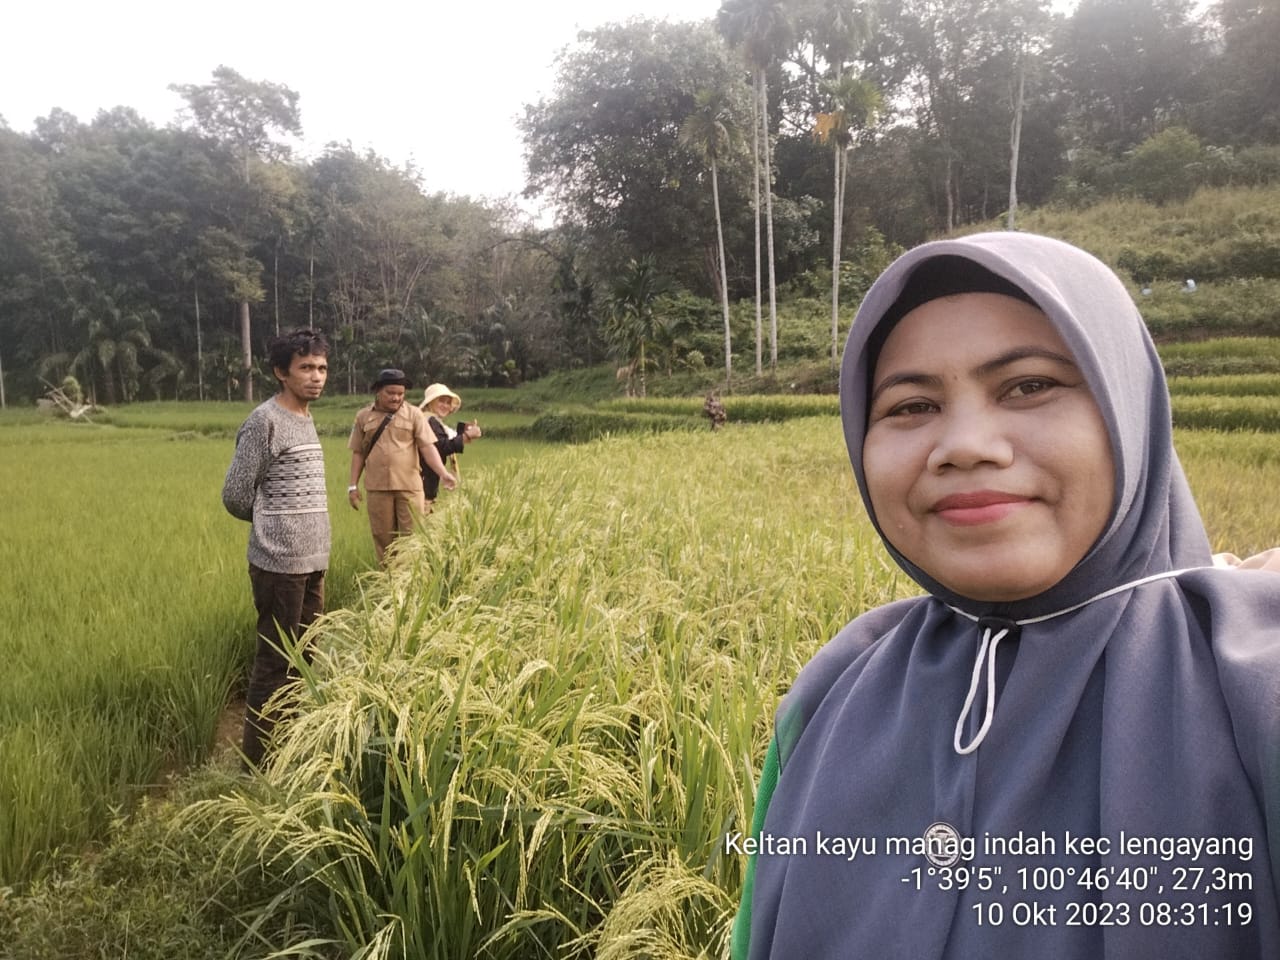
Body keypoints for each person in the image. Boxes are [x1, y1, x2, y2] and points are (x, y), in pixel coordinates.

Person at [733, 232, 1280, 958]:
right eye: (910, 405)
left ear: (1128, 408)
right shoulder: (833, 691)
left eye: (1029, 386)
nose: (964, 444)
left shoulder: (1254, 686)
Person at [221, 328, 331, 769]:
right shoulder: (264, 421)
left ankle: (289, 743)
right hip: (279, 563)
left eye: (322, 367)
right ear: (280, 372)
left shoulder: (304, 417)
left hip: (313, 560)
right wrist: (273, 524)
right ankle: (258, 762)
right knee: (276, 660)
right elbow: (235, 493)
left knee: (305, 657)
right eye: (306, 368)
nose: (316, 376)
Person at [347, 368, 456, 563]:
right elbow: (358, 453)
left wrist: (443, 473)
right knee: (383, 540)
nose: (396, 398)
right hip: (378, 488)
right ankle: (388, 583)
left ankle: (410, 584)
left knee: (412, 539)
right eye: (391, 393)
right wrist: (353, 486)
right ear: (378, 392)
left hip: (410, 488)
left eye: (400, 394)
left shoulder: (415, 415)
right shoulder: (364, 417)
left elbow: (427, 447)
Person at [418, 382, 482, 504]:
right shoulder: (430, 421)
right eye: (441, 401)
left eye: (448, 402)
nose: (445, 406)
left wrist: (464, 433)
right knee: (422, 519)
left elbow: (446, 439)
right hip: (423, 482)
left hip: (426, 481)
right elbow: (442, 446)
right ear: (430, 402)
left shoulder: (430, 420)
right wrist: (467, 435)